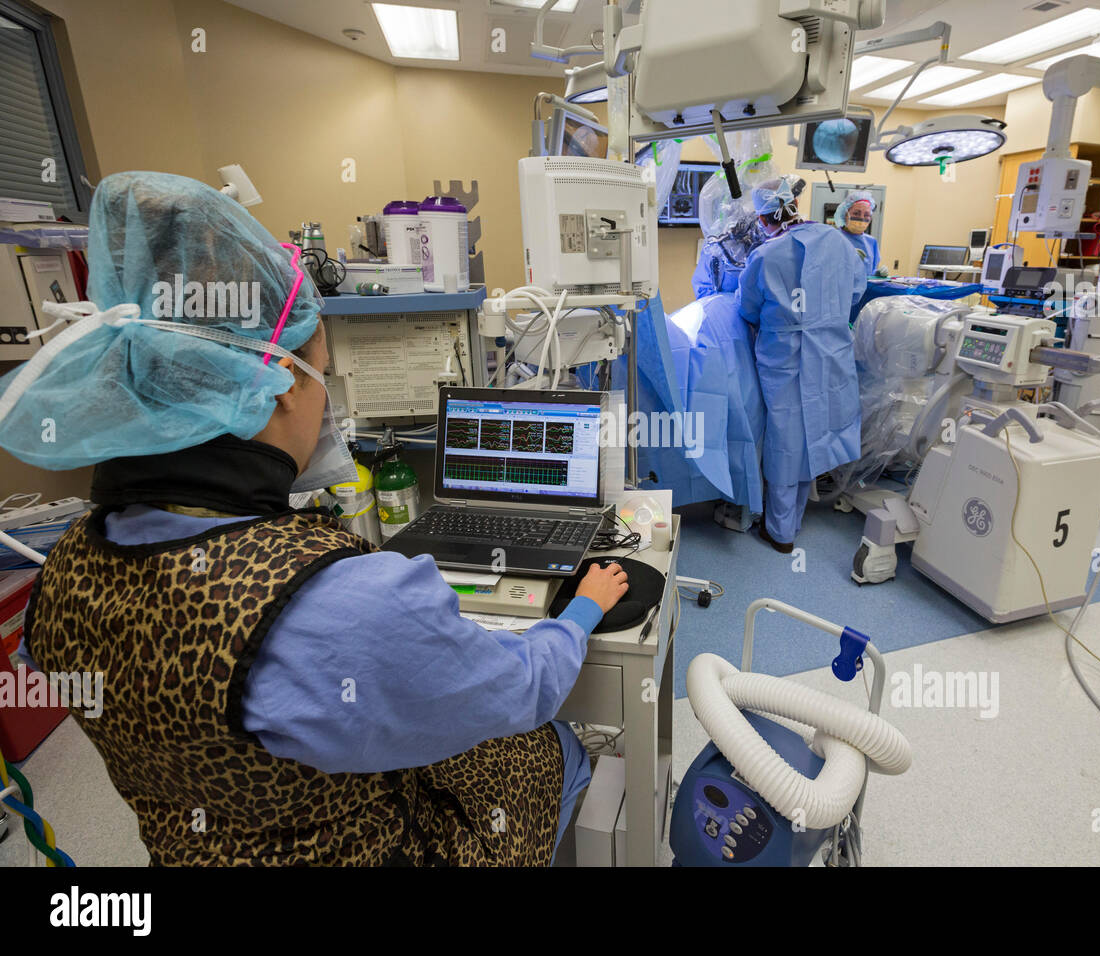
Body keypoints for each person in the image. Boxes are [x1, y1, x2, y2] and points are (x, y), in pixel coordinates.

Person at [0, 171, 629, 866]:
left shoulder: (61, 578)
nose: (327, 401)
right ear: (272, 388)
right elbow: (527, 688)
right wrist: (581, 611)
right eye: (321, 373)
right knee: (555, 744)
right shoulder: (345, 604)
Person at [737, 177, 868, 552]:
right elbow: (857, 292)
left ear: (763, 220)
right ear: (795, 206)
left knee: (785, 440)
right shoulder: (840, 244)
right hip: (830, 352)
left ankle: (780, 531)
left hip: (786, 358)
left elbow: (747, 308)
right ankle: (793, 517)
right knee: (815, 434)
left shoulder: (766, 255)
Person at [834, 191, 881, 277]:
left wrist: (876, 274)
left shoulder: (871, 242)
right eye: (856, 213)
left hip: (866, 290)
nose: (861, 218)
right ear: (845, 214)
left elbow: (869, 271)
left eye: (866, 215)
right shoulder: (833, 238)